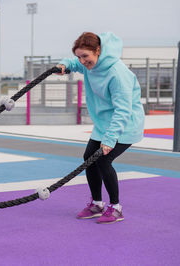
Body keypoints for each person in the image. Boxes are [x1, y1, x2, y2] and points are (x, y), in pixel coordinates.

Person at [57, 32, 145, 224]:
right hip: (104, 123)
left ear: (98, 51)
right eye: (79, 56)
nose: (82, 61)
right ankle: (97, 204)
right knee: (89, 158)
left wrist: (110, 138)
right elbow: (73, 63)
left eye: (85, 56)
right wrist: (65, 65)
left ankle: (116, 208)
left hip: (125, 124)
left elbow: (123, 110)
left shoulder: (116, 73)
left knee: (104, 160)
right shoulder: (90, 64)